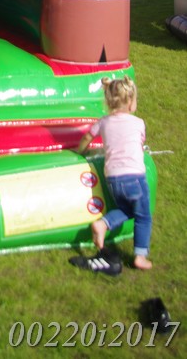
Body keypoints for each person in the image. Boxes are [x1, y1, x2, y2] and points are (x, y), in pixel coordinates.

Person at [76, 76, 153, 270]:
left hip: (112, 178)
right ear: (130, 102)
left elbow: (87, 136)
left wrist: (80, 152)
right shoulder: (138, 123)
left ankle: (103, 224)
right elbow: (138, 143)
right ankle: (140, 256)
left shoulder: (103, 122)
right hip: (134, 177)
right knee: (143, 216)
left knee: (127, 209)